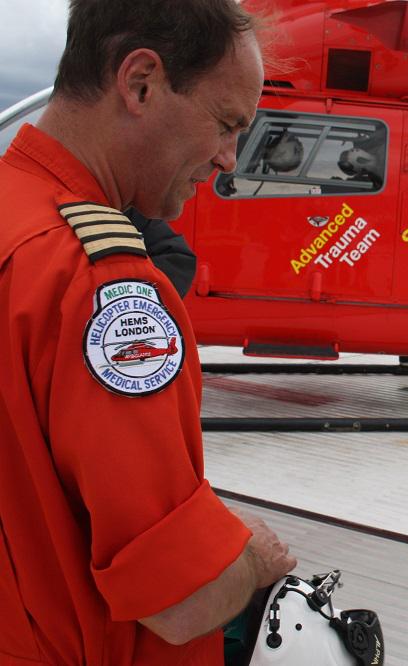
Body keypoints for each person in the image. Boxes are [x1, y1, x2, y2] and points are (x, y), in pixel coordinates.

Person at [0, 1, 297, 664]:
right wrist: (250, 559)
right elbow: (181, 600)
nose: (227, 159)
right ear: (139, 83)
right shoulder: (103, 288)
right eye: (225, 124)